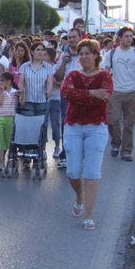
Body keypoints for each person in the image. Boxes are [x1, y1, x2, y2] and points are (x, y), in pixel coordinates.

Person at [61, 39, 113, 230]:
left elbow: (104, 98)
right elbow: (66, 93)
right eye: (80, 53)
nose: (83, 57)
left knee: (92, 171)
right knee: (73, 171)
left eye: (87, 53)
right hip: (74, 125)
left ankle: (89, 214)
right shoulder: (73, 75)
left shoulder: (105, 76)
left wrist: (81, 95)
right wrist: (92, 93)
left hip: (96, 127)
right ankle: (79, 196)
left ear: (96, 55)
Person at [17, 42, 54, 164]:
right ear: (32, 52)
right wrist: (21, 89)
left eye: (42, 50)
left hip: (42, 100)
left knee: (42, 126)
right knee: (29, 127)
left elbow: (49, 82)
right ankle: (28, 153)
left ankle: (41, 150)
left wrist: (49, 91)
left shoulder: (48, 67)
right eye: (38, 49)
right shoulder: (25, 66)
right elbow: (21, 81)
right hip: (28, 100)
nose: (40, 52)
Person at [104, 26, 135, 161]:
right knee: (113, 120)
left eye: (131, 36)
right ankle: (116, 143)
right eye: (126, 36)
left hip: (132, 91)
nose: (129, 39)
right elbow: (106, 73)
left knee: (129, 123)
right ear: (120, 38)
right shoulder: (111, 54)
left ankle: (126, 151)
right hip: (115, 91)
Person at [54, 28, 81, 168]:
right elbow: (57, 77)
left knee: (82, 124)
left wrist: (80, 56)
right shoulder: (64, 54)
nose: (71, 39)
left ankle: (80, 155)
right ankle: (65, 154)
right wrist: (64, 62)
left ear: (80, 38)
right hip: (67, 95)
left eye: (74, 37)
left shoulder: (86, 54)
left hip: (83, 95)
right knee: (66, 123)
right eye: (69, 37)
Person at [0, 72, 25, 171]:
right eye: (0, 80)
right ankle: (1, 162)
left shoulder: (14, 92)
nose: (0, 82)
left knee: (7, 141)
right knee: (0, 140)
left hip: (10, 117)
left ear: (9, 82)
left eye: (2, 81)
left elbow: (22, 102)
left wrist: (22, 93)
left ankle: (2, 157)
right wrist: (2, 91)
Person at [44, 47, 62, 158]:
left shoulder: (56, 68)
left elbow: (61, 84)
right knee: (43, 124)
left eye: (45, 54)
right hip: (44, 98)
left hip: (55, 98)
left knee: (55, 124)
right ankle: (43, 149)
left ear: (50, 56)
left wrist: (52, 80)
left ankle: (57, 147)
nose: (42, 55)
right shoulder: (41, 67)